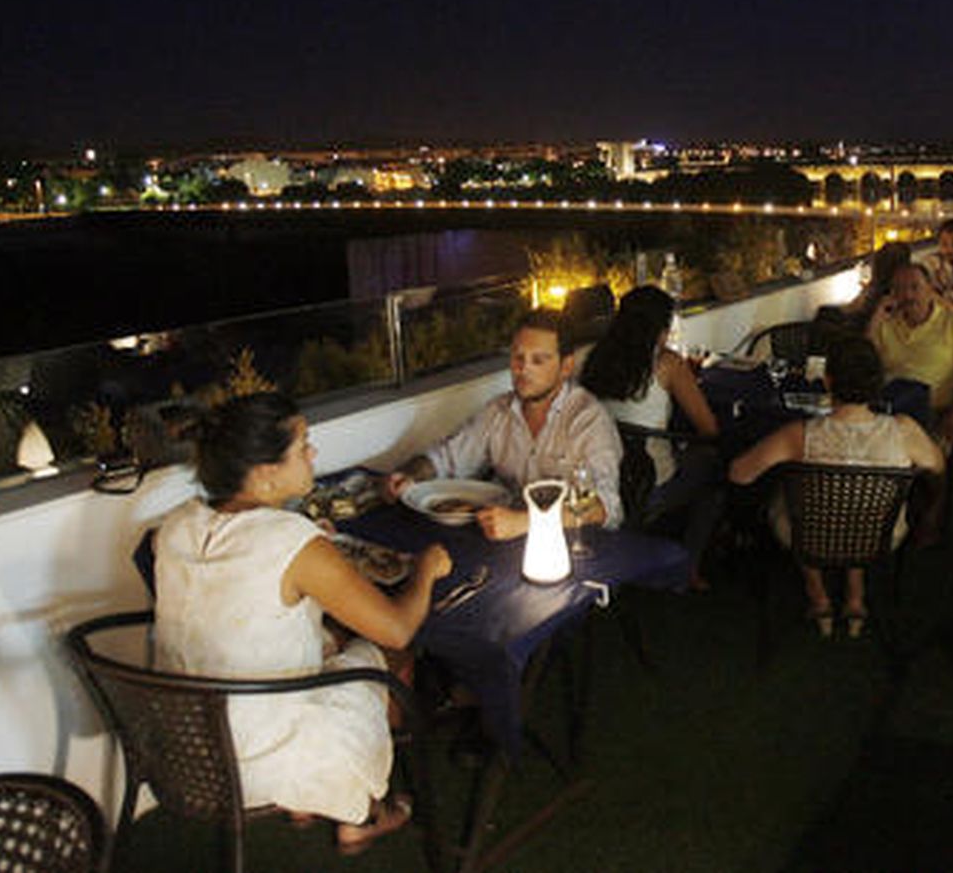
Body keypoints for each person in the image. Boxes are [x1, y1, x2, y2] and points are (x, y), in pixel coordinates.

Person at [154, 392, 451, 853]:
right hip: (254, 755)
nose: (313, 453)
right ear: (266, 471)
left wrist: (313, 551)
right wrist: (428, 569)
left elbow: (241, 592)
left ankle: (314, 793)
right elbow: (396, 627)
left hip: (183, 742)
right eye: (303, 445)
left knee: (333, 638)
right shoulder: (291, 540)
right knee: (392, 653)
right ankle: (364, 809)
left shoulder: (174, 525)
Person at [729, 336, 944, 638]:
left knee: (799, 502)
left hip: (809, 536)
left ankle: (819, 598)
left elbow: (739, 474)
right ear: (878, 382)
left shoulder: (799, 434)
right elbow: (937, 465)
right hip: (879, 537)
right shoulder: (904, 430)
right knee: (857, 505)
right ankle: (855, 597)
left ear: (828, 381)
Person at [383, 310, 624, 538]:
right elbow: (446, 458)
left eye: (538, 360)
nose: (523, 369)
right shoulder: (498, 411)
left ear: (566, 366)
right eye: (518, 357)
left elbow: (605, 506)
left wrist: (524, 522)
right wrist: (409, 474)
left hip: (574, 544)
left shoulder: (588, 419)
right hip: (504, 539)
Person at [580, 285, 722, 588]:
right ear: (661, 328)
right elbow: (709, 429)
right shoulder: (667, 363)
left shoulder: (595, 358)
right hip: (648, 483)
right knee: (714, 471)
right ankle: (688, 569)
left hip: (599, 480)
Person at [867, 261, 953, 450]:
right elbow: (862, 365)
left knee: (925, 457)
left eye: (915, 287)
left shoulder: (952, 322)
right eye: (899, 289)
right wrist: (875, 318)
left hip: (936, 412)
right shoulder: (886, 324)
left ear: (930, 289)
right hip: (889, 414)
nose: (907, 295)